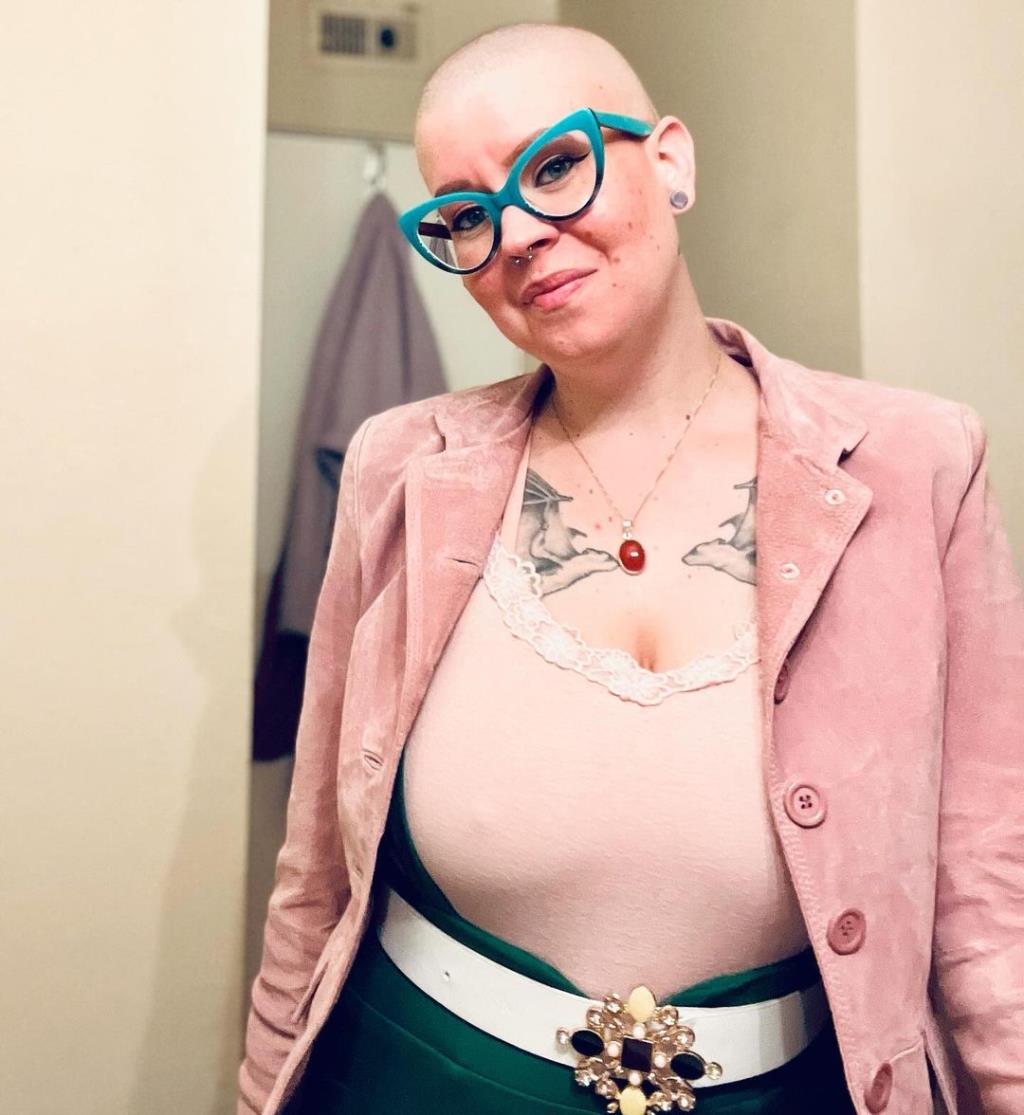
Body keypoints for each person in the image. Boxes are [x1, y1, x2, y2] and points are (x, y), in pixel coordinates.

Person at [239, 22, 1023, 1115]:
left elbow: (989, 882)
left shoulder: (915, 464)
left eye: (556, 165)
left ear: (670, 160)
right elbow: (314, 870)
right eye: (464, 215)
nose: (517, 233)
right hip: (414, 1076)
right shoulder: (403, 469)